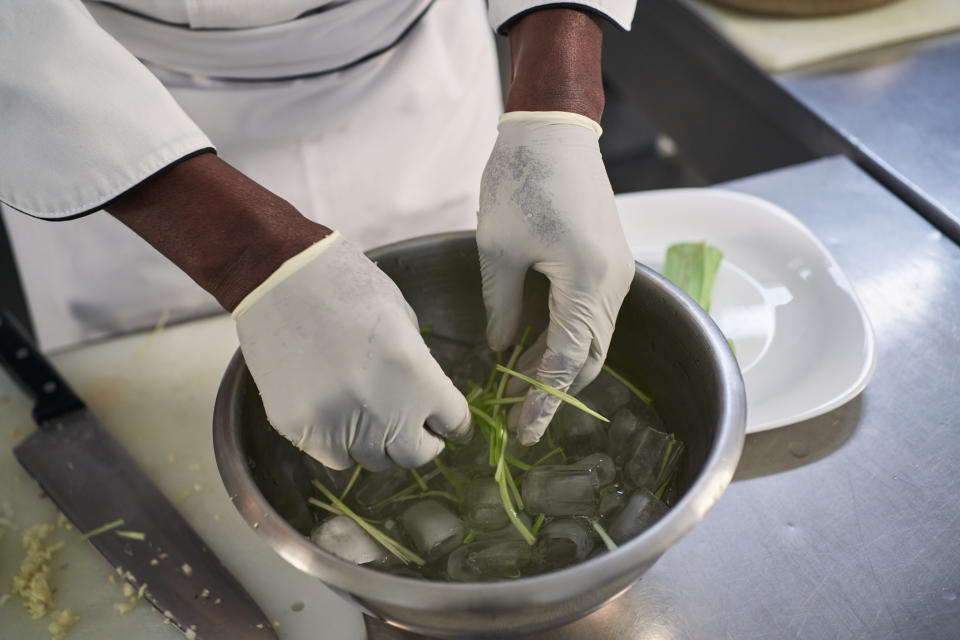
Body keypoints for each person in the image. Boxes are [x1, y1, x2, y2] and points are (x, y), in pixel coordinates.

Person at [0, 0, 638, 471]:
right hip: (110, 118)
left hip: (416, 77)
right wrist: (241, 256)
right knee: (161, 428)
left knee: (457, 334)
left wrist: (557, 97)